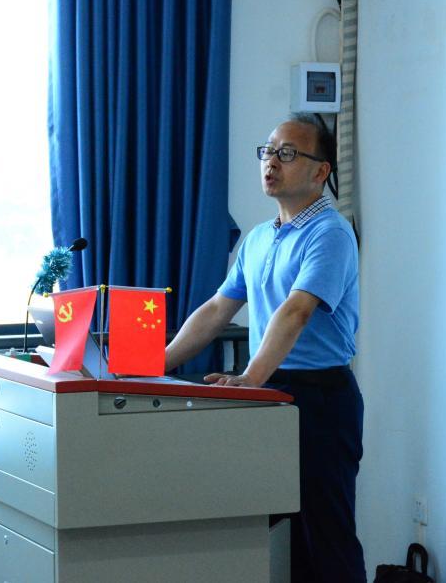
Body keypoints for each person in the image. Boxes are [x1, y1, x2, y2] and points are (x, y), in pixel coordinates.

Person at [164, 114, 365, 583]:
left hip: (319, 397)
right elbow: (218, 309)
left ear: (320, 171)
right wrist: (151, 364)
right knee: (276, 535)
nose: (272, 162)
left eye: (287, 153)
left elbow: (295, 312)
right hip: (269, 392)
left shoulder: (331, 233)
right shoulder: (259, 237)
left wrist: (250, 379)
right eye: (268, 151)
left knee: (326, 536)